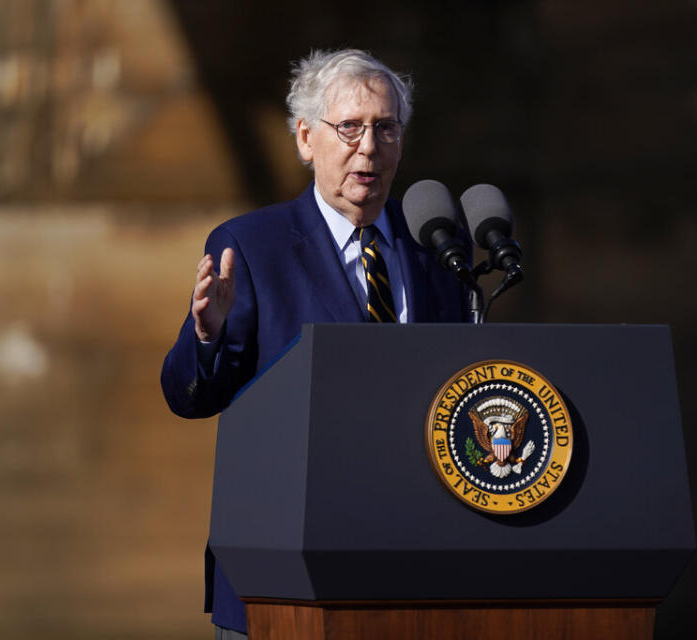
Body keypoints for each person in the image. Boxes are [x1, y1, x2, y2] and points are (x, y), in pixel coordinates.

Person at [161, 49, 468, 638]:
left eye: (385, 128)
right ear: (306, 139)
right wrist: (206, 334)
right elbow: (187, 395)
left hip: (417, 570)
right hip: (282, 578)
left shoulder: (436, 243)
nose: (369, 147)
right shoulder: (252, 246)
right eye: (349, 127)